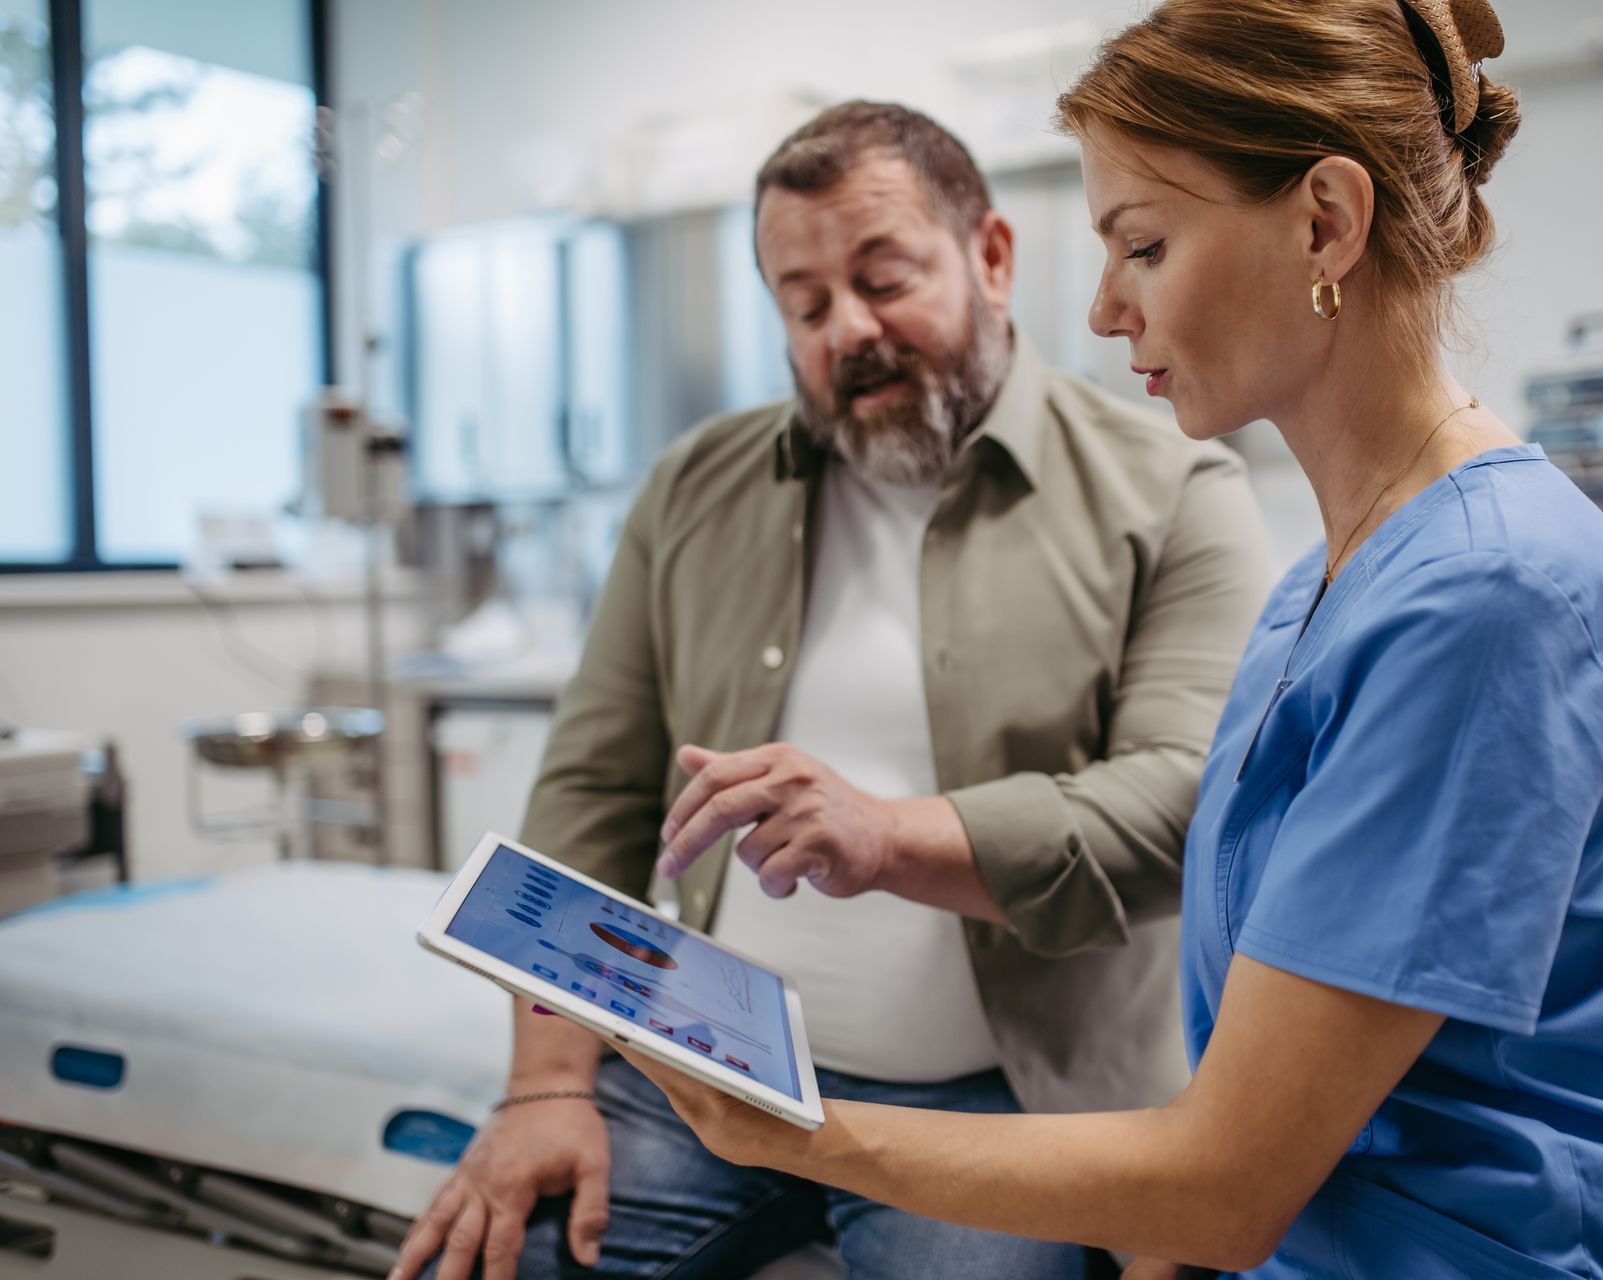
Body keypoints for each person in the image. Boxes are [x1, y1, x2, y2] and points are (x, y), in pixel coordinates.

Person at [569, 2, 1603, 1277]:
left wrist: (798, 1131)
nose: (1103, 310)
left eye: (1143, 244)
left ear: (1326, 223)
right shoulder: (1331, 579)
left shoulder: (1484, 594)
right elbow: (1254, 1063)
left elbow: (1226, 1179)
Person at [393, 101, 1273, 1280]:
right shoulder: (694, 490)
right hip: (700, 1071)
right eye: (805, 306)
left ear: (992, 258)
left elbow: (1182, 805)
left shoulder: (1174, 489)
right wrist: (546, 1083)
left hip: (1000, 1108)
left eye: (884, 278)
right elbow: (590, 794)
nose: (846, 329)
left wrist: (887, 833)